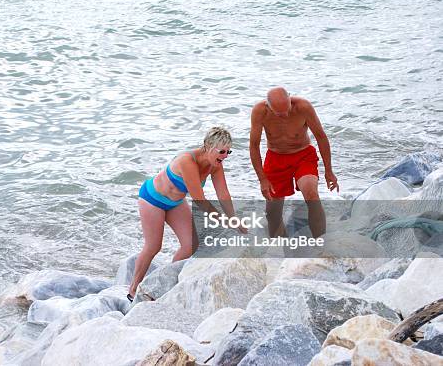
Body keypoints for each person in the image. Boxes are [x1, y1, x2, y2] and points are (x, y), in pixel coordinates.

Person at [127, 127, 240, 301]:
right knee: (153, 246)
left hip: (175, 203)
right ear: (208, 147)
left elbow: (223, 194)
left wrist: (234, 219)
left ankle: (167, 281)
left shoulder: (215, 166)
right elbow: (199, 200)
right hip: (152, 199)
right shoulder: (187, 161)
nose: (225, 156)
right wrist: (224, 222)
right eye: (222, 151)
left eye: (228, 152)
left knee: (190, 245)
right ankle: (133, 290)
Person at [249, 87, 339, 238]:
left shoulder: (303, 107)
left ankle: (322, 246)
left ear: (290, 98)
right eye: (279, 113)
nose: (285, 115)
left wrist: (329, 171)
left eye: (287, 109)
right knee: (272, 213)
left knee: (311, 194)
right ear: (268, 106)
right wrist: (262, 179)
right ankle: (282, 250)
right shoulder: (259, 111)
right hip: (275, 158)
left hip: (303, 155)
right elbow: (254, 145)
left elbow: (321, 137)